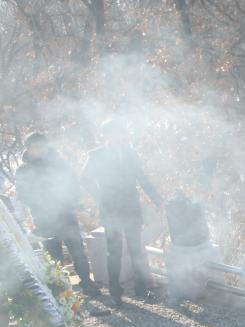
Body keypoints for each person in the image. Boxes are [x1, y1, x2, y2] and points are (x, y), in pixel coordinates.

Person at [81, 119, 163, 306]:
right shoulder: (96, 155)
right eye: (115, 134)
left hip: (132, 208)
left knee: (136, 249)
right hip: (110, 211)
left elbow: (143, 179)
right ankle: (115, 290)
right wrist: (100, 197)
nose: (119, 137)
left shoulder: (131, 153)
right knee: (114, 252)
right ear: (107, 136)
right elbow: (84, 180)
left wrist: (158, 200)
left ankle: (142, 289)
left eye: (122, 133)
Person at [14, 132, 100, 296]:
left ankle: (87, 283)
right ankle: (61, 291)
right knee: (54, 258)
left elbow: (73, 185)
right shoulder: (24, 170)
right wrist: (43, 202)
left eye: (44, 146)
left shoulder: (60, 164)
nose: (42, 150)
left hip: (67, 216)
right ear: (29, 149)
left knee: (78, 252)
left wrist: (78, 205)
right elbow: (23, 195)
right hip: (44, 220)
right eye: (37, 147)